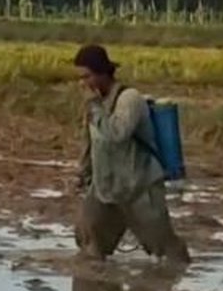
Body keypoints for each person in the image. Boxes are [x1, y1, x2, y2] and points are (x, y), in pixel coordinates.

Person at [73, 44, 190, 265]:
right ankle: (95, 290)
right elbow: (90, 142)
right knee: (88, 236)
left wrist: (95, 106)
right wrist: (83, 173)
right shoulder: (93, 105)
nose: (83, 83)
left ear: (102, 72)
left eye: (86, 76)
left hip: (139, 187)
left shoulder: (130, 99)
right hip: (105, 186)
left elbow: (116, 133)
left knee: (164, 247)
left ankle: (184, 277)